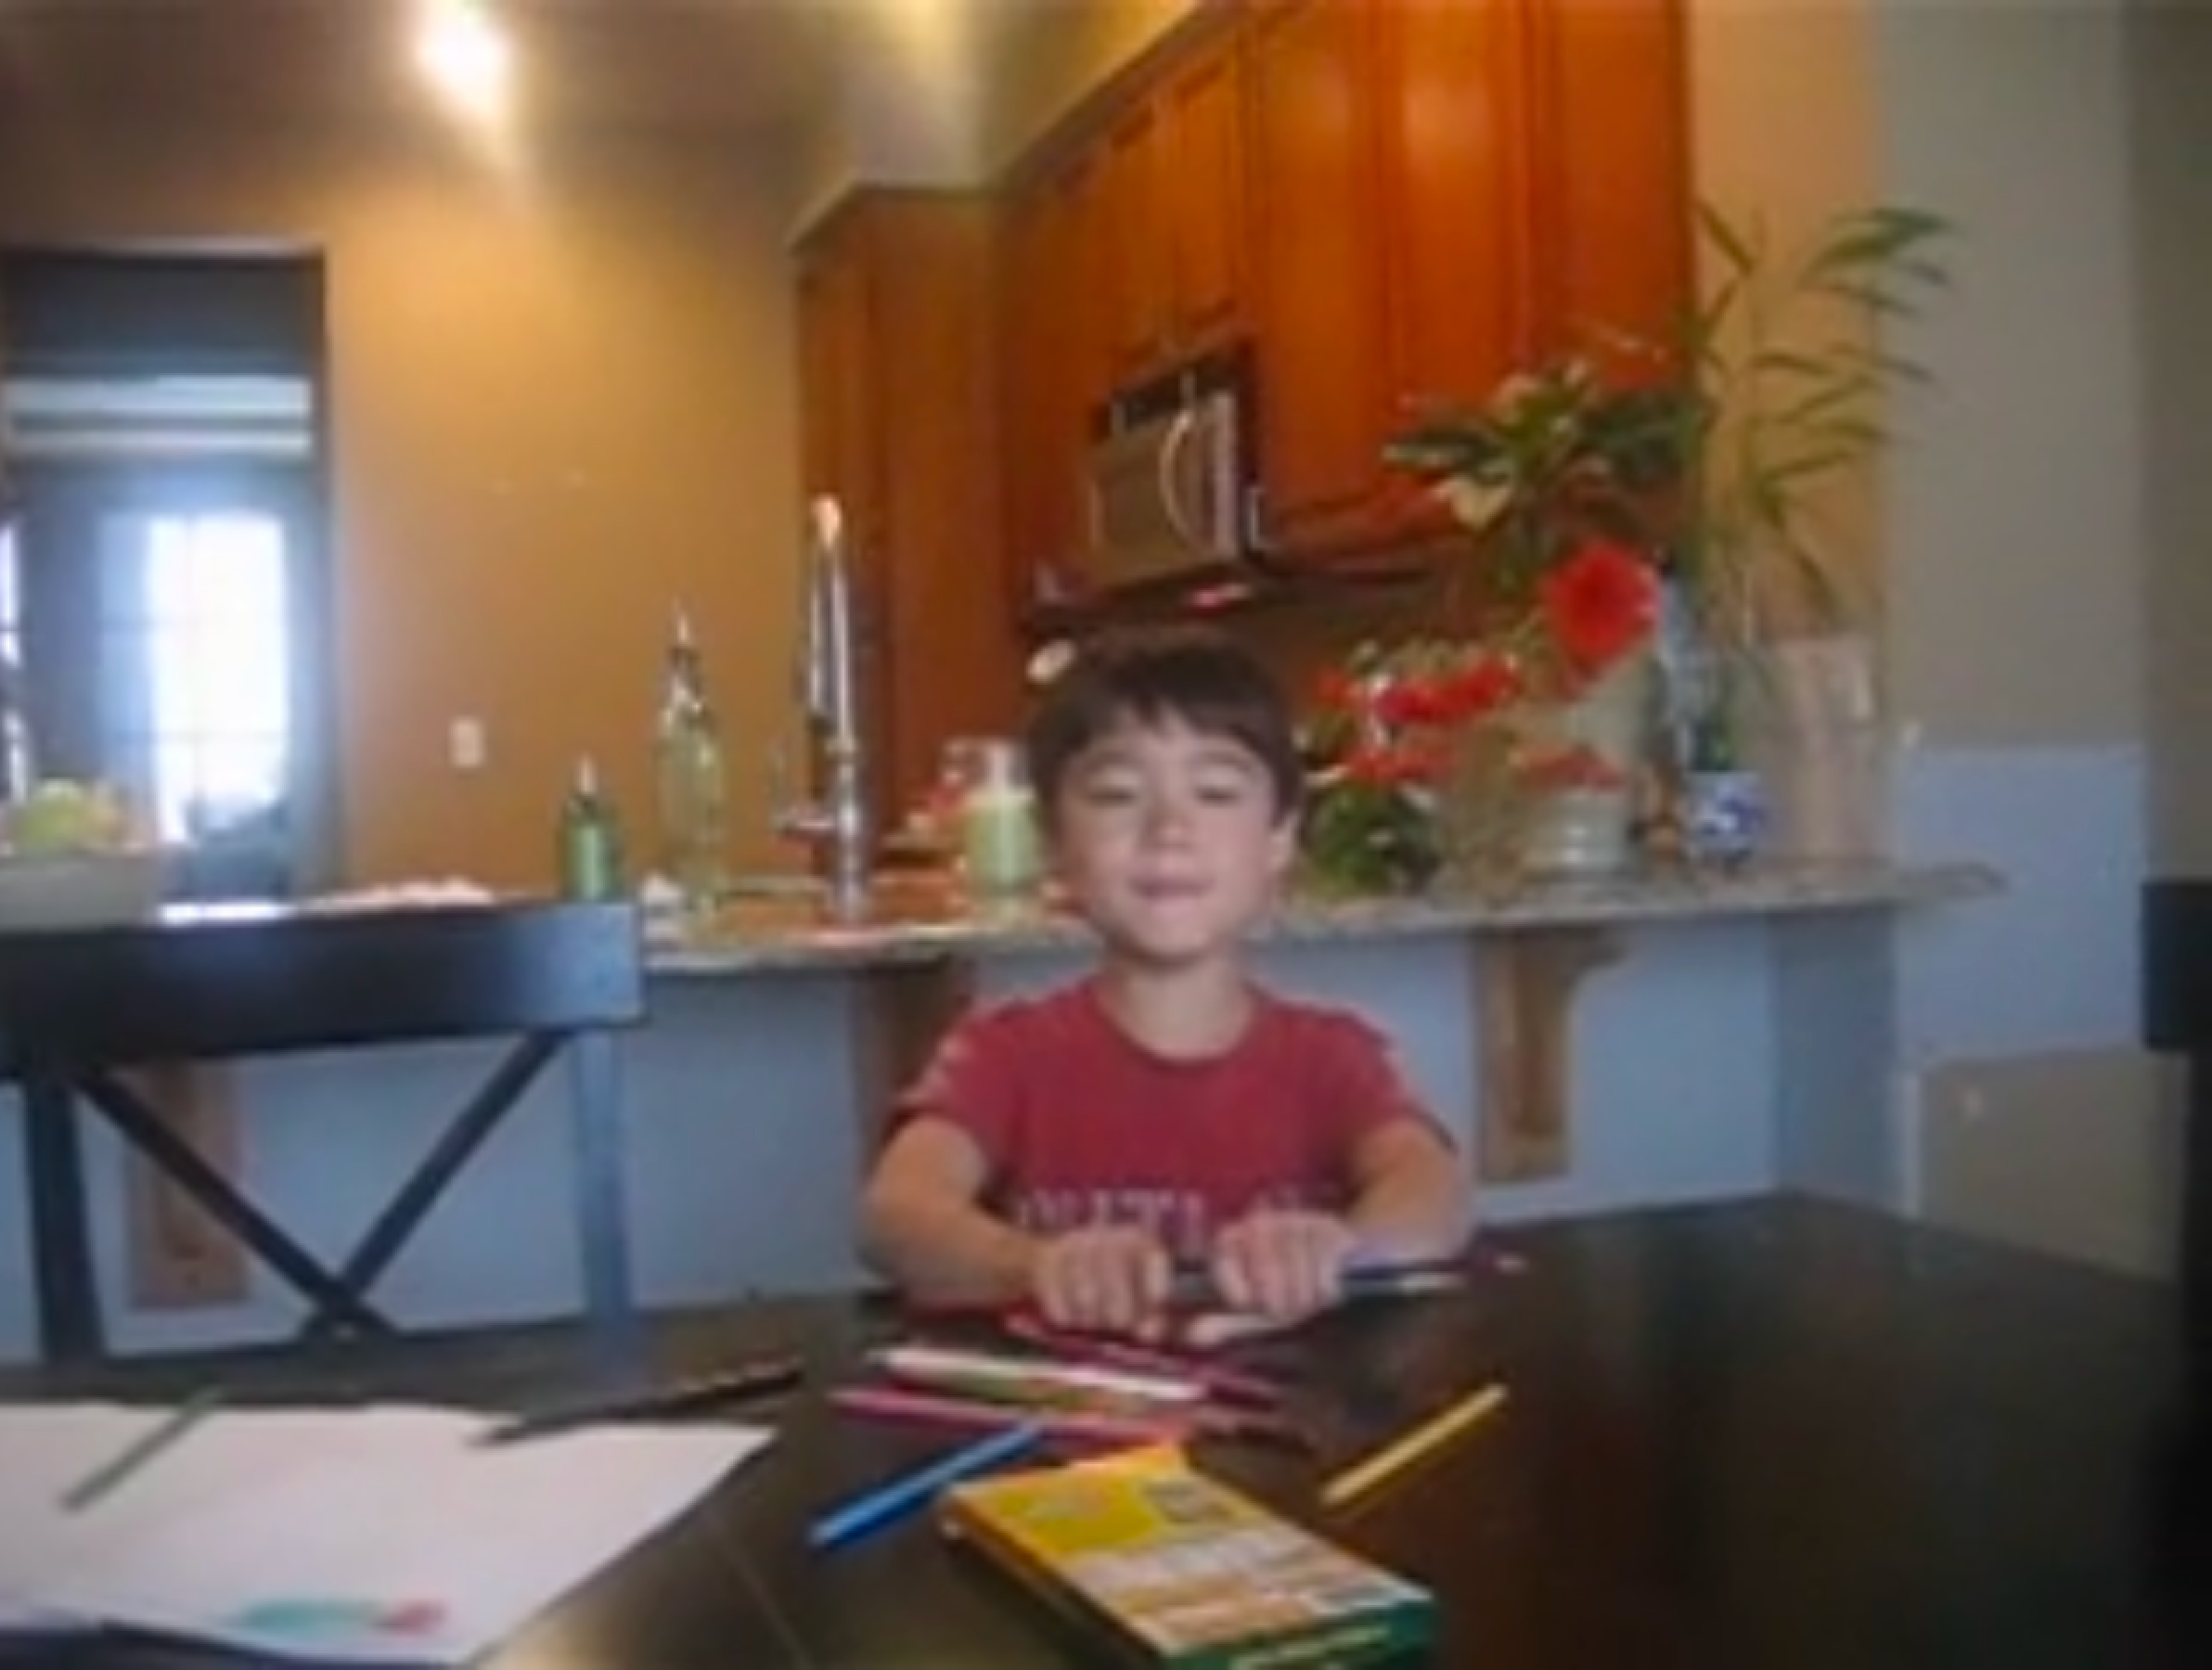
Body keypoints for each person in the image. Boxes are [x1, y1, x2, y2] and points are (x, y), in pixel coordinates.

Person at [859, 623, 1472, 1336]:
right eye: (1118, 794)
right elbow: (895, 1216)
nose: (1169, 829)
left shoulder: (1335, 1055)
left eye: (1215, 792)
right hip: (1072, 1402)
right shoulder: (1002, 1052)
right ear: (1054, 841)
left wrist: (1342, 1250)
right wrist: (1036, 1265)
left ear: (1279, 838)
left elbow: (1436, 1194)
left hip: (1292, 1400)